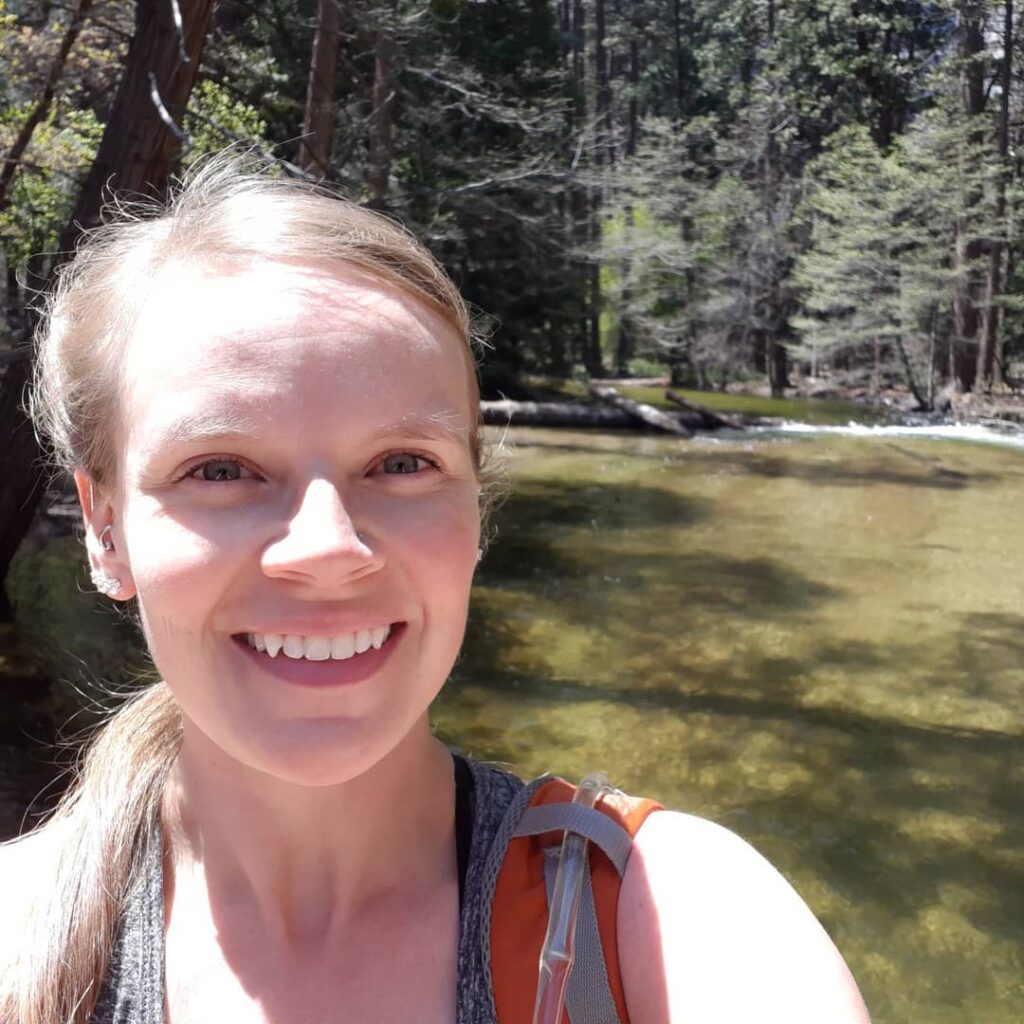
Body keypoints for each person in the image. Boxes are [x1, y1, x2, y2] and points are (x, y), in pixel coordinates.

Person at [0, 159, 871, 1024]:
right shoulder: (19, 936)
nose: (328, 550)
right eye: (220, 469)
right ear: (105, 529)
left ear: (475, 511)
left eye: (402, 464)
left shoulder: (673, 919)